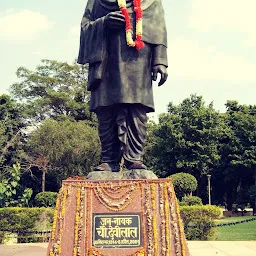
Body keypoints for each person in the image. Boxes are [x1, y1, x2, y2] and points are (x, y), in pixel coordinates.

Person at [78, 0, 168, 172]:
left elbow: (159, 28)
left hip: (139, 59)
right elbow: (85, 27)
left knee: (137, 108)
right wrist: (104, 22)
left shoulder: (151, 1)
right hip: (107, 59)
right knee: (105, 107)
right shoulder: (97, 1)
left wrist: (160, 61)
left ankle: (135, 158)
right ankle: (109, 159)